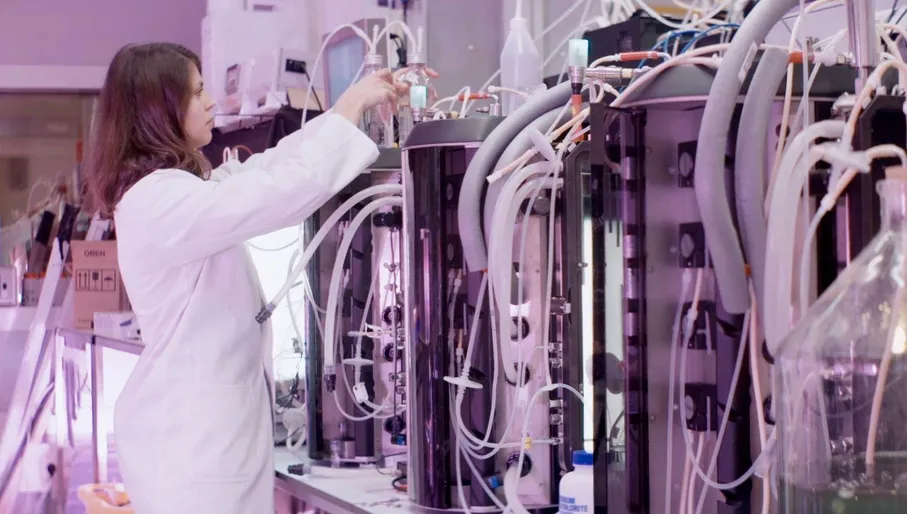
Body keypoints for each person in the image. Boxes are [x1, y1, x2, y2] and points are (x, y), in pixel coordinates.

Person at [81, 42, 409, 514]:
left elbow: (264, 169)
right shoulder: (159, 203)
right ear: (160, 111)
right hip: (194, 451)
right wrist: (353, 107)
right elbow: (273, 195)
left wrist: (343, 111)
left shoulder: (176, 191)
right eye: (198, 92)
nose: (211, 101)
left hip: (206, 440)